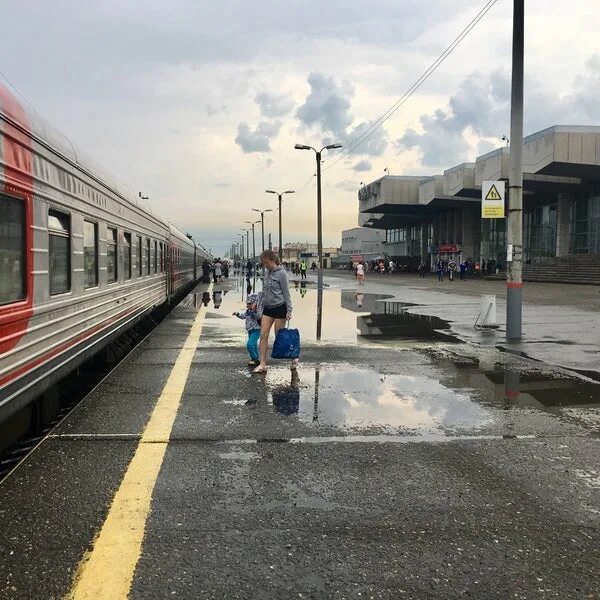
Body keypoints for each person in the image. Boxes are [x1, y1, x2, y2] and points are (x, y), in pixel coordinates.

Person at [253, 250, 294, 373]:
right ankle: (262, 364)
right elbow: (264, 291)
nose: (265, 265)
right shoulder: (267, 273)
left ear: (272, 260)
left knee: (280, 338)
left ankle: (294, 356)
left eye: (266, 263)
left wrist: (289, 310)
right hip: (268, 308)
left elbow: (286, 293)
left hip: (280, 307)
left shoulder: (282, 273)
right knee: (263, 335)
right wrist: (257, 302)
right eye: (263, 263)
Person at [233, 292, 263, 367]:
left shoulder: (256, 311)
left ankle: (254, 358)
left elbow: (258, 316)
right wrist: (237, 314)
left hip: (256, 330)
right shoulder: (248, 311)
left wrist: (253, 311)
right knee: (254, 345)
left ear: (254, 303)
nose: (247, 305)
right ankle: (256, 359)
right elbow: (243, 316)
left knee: (250, 344)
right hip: (250, 330)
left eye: (249, 304)